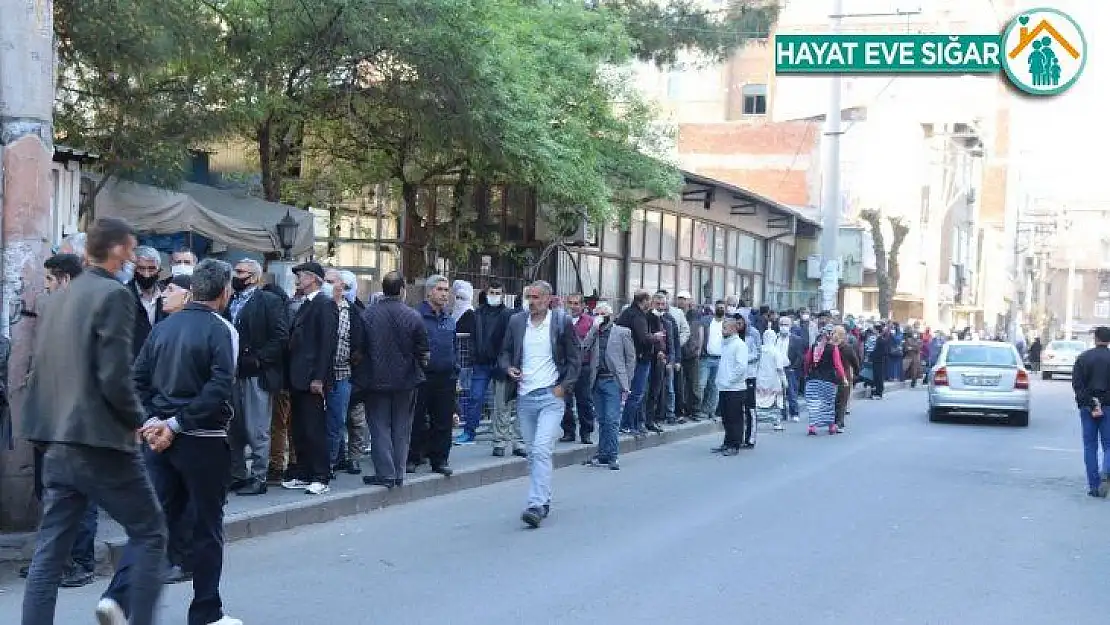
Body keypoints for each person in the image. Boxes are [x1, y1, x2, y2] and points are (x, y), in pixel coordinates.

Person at [21, 217, 167, 625]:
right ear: (118, 250)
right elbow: (114, 376)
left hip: (57, 442)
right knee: (152, 532)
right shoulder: (114, 296)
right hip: (100, 442)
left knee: (49, 552)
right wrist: (140, 421)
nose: (135, 256)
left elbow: (42, 371)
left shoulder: (56, 300)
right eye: (132, 247)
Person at [105, 259, 241, 625]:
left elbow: (137, 380)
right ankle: (206, 612)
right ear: (225, 291)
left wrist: (152, 421)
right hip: (202, 439)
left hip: (161, 438)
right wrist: (172, 424)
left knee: (153, 523)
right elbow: (219, 385)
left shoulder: (163, 329)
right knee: (208, 527)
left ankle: (117, 599)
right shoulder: (220, 329)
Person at [499, 280, 581, 528]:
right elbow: (504, 352)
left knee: (542, 449)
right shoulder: (516, 322)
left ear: (548, 299)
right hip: (525, 397)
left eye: (536, 297)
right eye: (529, 297)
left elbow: (575, 359)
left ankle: (535, 504)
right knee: (533, 453)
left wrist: (563, 388)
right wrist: (508, 368)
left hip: (550, 397)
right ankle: (543, 498)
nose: (532, 302)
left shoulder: (560, 322)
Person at [360, 272, 430, 488]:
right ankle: (399, 473)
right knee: (402, 428)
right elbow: (423, 351)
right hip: (406, 381)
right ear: (402, 290)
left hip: (375, 380)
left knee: (379, 427)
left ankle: (385, 473)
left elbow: (360, 349)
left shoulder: (368, 315)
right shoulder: (413, 316)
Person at [227, 259, 289, 496]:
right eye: (236, 270)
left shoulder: (268, 301)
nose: (236, 275)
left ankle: (259, 476)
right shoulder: (230, 299)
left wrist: (259, 358)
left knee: (257, 428)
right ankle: (238, 474)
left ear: (253, 276)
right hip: (233, 373)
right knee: (235, 428)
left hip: (256, 374)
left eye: (240, 272)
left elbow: (281, 337)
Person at [282, 261, 338, 495]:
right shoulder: (306, 303)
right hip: (298, 377)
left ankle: (321, 476)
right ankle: (304, 472)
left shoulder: (324, 304)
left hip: (312, 379)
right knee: (300, 428)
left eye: (302, 275)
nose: (298, 279)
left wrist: (319, 378)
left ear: (314, 278)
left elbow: (327, 344)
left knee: (314, 428)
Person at [463, 282, 523, 456]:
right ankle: (470, 431)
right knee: (475, 397)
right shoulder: (477, 314)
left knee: (501, 404)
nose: (494, 295)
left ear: (503, 295)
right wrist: (473, 356)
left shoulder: (508, 315)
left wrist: (505, 362)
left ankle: (502, 441)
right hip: (481, 363)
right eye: (492, 292)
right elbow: (472, 337)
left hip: (500, 365)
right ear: (486, 293)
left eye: (498, 292)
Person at [408, 275, 458, 476]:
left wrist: (455, 371)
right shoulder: (416, 316)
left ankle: (440, 459)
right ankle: (412, 457)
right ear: (429, 292)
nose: (444, 294)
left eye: (447, 290)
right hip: (422, 376)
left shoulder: (449, 319)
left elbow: (453, 346)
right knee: (416, 419)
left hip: (446, 377)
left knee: (443, 421)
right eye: (440, 289)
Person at [584, 302, 635, 470]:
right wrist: (593, 329)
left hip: (613, 380)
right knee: (603, 420)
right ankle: (602, 454)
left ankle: (613, 456)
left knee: (612, 420)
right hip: (597, 380)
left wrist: (626, 382)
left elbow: (630, 359)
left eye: (603, 314)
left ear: (610, 316)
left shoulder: (622, 332)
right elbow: (584, 348)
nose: (600, 316)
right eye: (597, 313)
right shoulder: (595, 333)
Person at [1072, 326, 1110, 498]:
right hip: (1109, 406)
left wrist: (1088, 401)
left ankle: (1094, 486)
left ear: (1095, 339)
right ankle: (1106, 473)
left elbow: (1077, 385)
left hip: (1088, 408)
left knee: (1090, 446)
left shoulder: (1083, 358)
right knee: (1109, 444)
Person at [561, 293, 598, 444]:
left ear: (583, 306)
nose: (573, 306)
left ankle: (586, 432)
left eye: (576, 303)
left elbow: (593, 344)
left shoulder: (590, 322)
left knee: (584, 401)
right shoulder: (562, 321)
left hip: (583, 366)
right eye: (570, 303)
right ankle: (568, 431)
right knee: (565, 401)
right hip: (566, 367)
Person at [616, 291, 654, 435]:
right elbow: (643, 338)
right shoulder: (637, 316)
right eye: (649, 300)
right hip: (639, 358)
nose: (650, 304)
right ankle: (627, 424)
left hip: (627, 358)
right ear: (644, 300)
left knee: (629, 393)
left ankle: (633, 423)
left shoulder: (627, 313)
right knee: (636, 393)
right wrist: (655, 338)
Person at [711, 318, 748, 456]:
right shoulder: (725, 344)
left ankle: (735, 444)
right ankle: (727, 442)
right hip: (724, 387)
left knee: (735, 418)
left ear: (733, 329)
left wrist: (730, 380)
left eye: (725, 328)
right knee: (726, 417)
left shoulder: (739, 345)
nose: (722, 330)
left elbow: (741, 367)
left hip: (735, 388)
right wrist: (720, 380)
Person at [804, 324, 848, 436]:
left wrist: (805, 374)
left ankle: (812, 427)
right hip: (828, 380)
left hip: (813, 379)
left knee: (814, 403)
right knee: (828, 403)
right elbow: (838, 365)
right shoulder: (833, 348)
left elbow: (807, 362)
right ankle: (831, 426)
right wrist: (843, 378)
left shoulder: (814, 347)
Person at [754, 327, 786, 438]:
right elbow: (780, 368)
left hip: (760, 379)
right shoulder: (776, 351)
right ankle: (776, 422)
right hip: (774, 380)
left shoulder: (760, 350)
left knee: (759, 400)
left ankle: (757, 419)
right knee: (775, 402)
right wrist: (784, 381)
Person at [833, 325, 860, 431]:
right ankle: (839, 423)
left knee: (835, 401)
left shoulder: (830, 346)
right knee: (842, 401)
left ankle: (835, 422)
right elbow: (855, 362)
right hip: (844, 377)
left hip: (831, 376)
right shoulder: (847, 348)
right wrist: (857, 374)